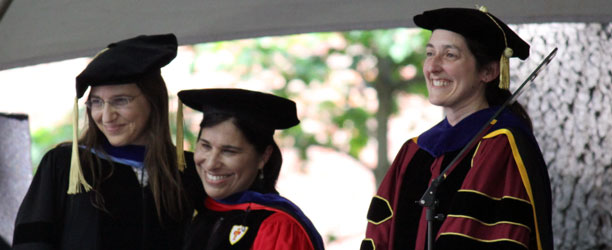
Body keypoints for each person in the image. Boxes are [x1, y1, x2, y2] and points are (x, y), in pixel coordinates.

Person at [360, 7, 554, 250]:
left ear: (489, 71)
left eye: (450, 55)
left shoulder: (502, 144)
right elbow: (379, 234)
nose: (432, 67)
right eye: (430, 53)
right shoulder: (413, 151)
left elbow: (487, 236)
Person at [13, 34, 202, 250]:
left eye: (120, 101)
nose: (106, 115)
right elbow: (32, 242)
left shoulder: (186, 171)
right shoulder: (67, 165)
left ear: (153, 102)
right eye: (96, 102)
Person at [178, 88, 324, 250]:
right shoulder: (196, 210)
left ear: (264, 156)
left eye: (229, 151)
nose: (212, 163)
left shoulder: (277, 227)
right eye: (205, 146)